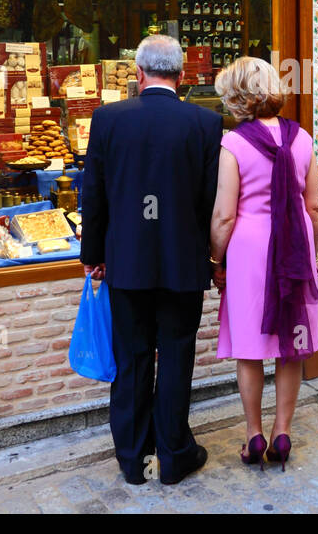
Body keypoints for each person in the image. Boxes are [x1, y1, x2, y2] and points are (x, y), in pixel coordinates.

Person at [78, 35, 222, 486]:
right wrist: (211, 257)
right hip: (182, 263)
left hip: (128, 263)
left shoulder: (108, 119)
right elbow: (211, 201)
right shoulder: (205, 123)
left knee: (133, 356)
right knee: (177, 357)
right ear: (182, 75)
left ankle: (133, 460)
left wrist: (93, 255)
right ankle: (175, 456)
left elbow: (93, 195)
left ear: (138, 74)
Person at [209, 57, 318, 471]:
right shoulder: (303, 138)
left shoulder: (234, 145)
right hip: (294, 246)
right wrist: (311, 257)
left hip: (250, 249)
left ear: (237, 97)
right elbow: (312, 206)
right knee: (290, 345)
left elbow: (224, 216)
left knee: (251, 346)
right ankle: (283, 431)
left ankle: (253, 433)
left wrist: (215, 258)